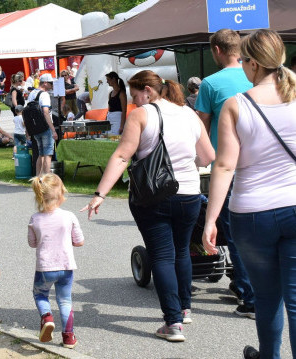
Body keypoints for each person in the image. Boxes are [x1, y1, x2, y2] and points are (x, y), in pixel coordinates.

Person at [81, 69, 214, 342]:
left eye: (135, 95)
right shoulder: (189, 113)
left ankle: (173, 323)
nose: (134, 101)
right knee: (182, 252)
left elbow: (121, 156)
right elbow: (208, 155)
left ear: (148, 91)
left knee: (162, 255)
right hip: (189, 194)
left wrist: (100, 194)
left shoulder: (141, 115)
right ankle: (185, 308)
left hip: (154, 196)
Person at [201, 29, 296, 359]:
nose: (241, 66)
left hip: (253, 213)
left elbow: (225, 166)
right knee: (295, 300)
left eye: (243, 60)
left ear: (254, 64)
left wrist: (211, 218)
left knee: (267, 296)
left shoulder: (236, 105)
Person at [195, 28, 255, 318]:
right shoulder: (259, 75)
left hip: (228, 166)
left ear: (217, 50)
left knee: (235, 231)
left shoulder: (210, 83)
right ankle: (256, 286)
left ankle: (248, 294)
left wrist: (195, 159)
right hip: (264, 162)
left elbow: (201, 127)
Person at [28, 173, 84, 348]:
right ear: (61, 194)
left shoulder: (35, 219)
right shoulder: (69, 216)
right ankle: (68, 338)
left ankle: (47, 317)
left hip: (45, 268)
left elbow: (32, 243)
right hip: (66, 267)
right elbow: (79, 241)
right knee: (65, 300)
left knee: (40, 294)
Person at [27, 73, 58, 176]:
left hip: (35, 128)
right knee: (48, 154)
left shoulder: (32, 93)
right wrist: (53, 129)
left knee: (40, 154)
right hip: (45, 128)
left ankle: (37, 177)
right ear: (45, 83)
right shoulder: (44, 95)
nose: (52, 85)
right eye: (50, 83)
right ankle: (46, 178)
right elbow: (45, 112)